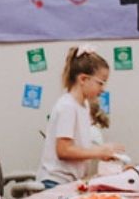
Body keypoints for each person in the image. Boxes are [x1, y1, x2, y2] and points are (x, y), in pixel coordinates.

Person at [36, 45, 126, 188]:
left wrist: (102, 152)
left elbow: (78, 146)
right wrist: (98, 151)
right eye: (100, 83)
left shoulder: (83, 105)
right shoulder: (67, 106)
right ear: (83, 79)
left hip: (70, 182)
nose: (103, 89)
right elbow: (63, 151)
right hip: (53, 183)